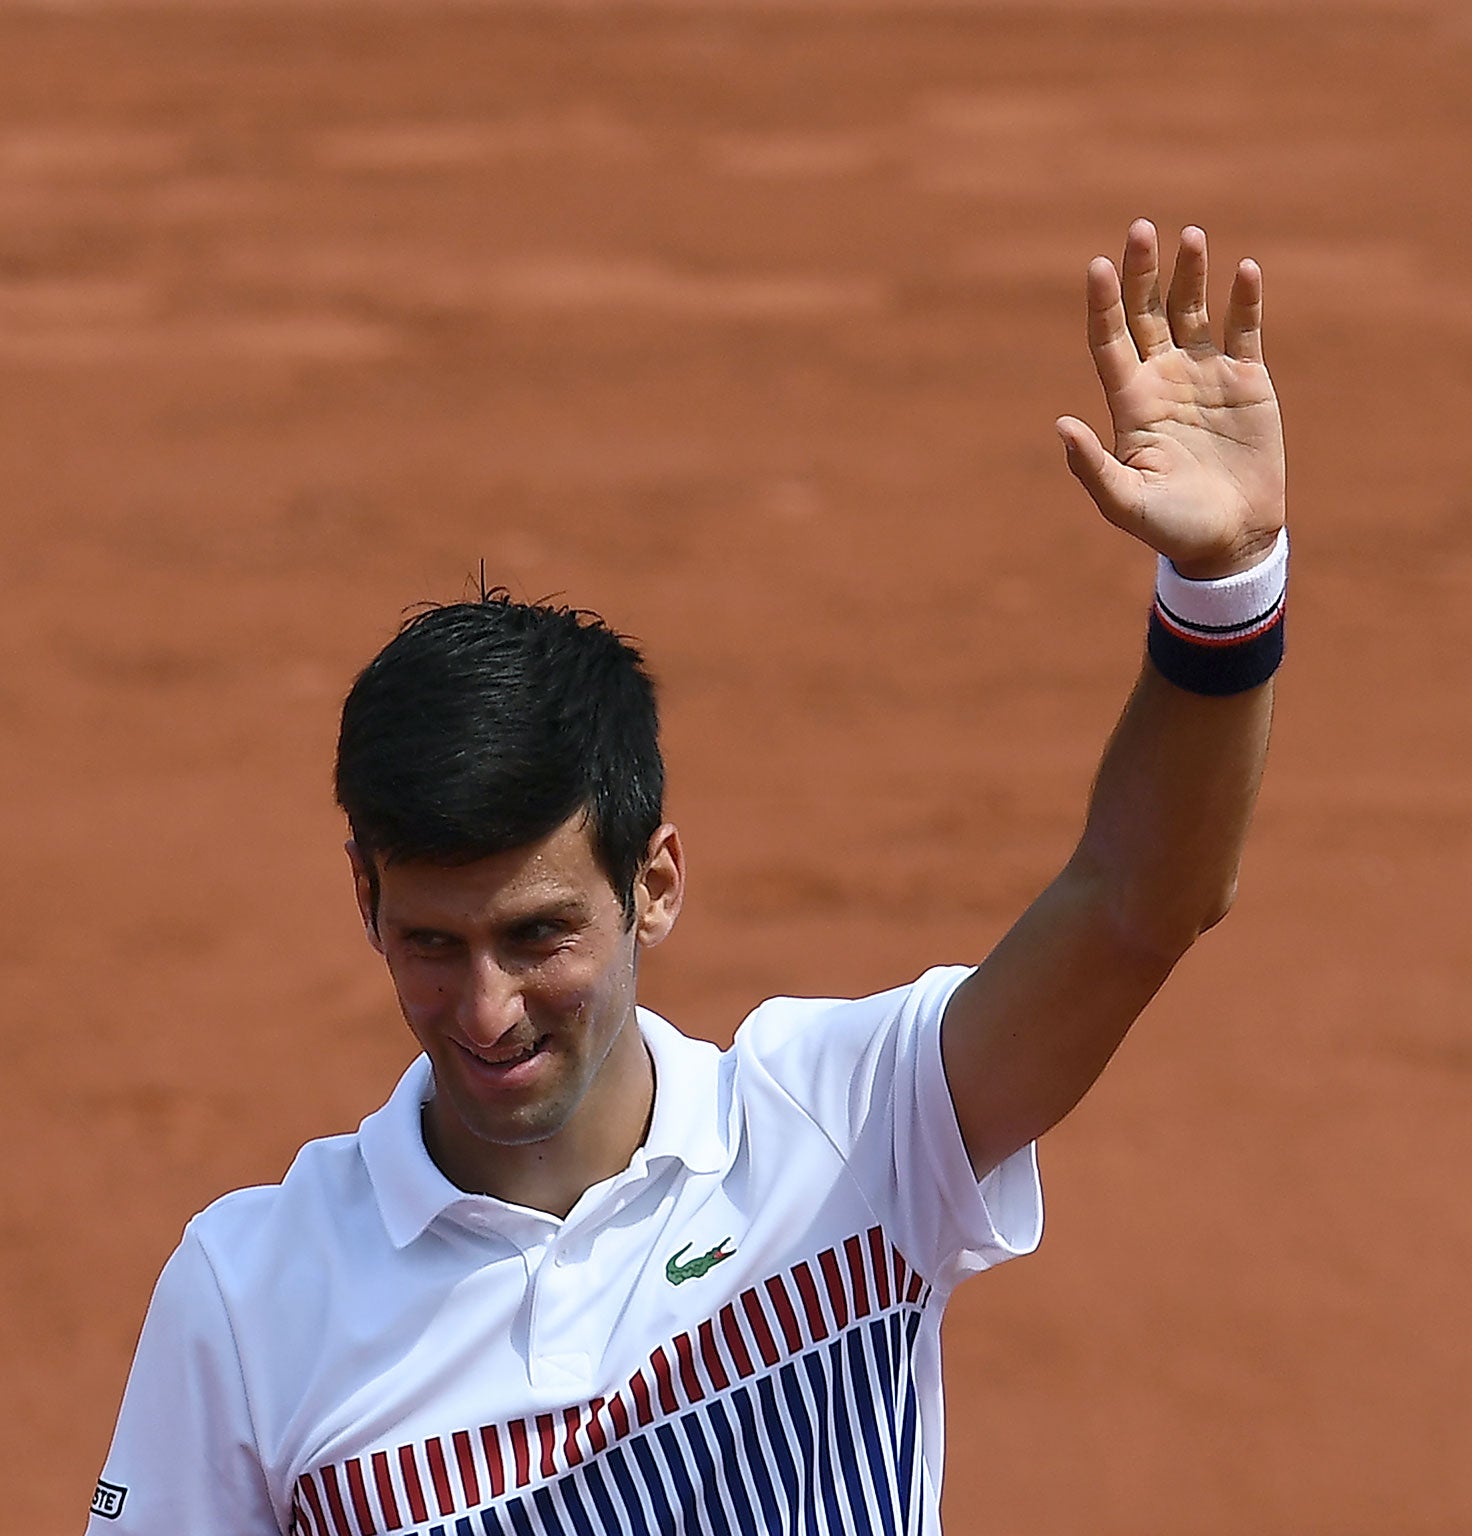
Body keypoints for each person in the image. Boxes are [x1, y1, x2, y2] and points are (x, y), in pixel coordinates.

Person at [82, 219, 1287, 1534]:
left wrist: (1222, 591)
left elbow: (1138, 903)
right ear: (363, 897)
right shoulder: (255, 1301)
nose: (484, 1011)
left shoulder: (846, 1138)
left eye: (539, 935)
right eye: (432, 942)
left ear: (654, 884)